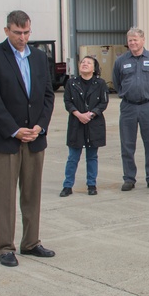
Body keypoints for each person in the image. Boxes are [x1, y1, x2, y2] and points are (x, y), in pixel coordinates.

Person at [0, 10, 56, 268]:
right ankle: (5, 247)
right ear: (6, 30)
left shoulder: (39, 57)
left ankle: (31, 242)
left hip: (34, 136)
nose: (22, 38)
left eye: (26, 33)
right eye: (17, 33)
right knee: (5, 195)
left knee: (32, 193)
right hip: (6, 138)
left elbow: (48, 95)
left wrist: (39, 126)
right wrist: (14, 130)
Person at [113, 27, 149, 192]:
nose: (132, 43)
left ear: (143, 40)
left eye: (135, 39)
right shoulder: (121, 61)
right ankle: (129, 178)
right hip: (128, 106)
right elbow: (116, 82)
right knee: (127, 144)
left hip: (148, 106)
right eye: (130, 40)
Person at [61, 56, 108, 197]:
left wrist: (91, 114)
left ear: (94, 68)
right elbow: (67, 101)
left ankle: (91, 185)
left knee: (92, 156)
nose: (85, 64)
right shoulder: (71, 83)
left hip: (94, 124)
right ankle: (67, 186)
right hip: (76, 123)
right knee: (73, 157)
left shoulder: (100, 84)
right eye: (83, 62)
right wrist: (78, 114)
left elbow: (103, 103)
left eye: (89, 63)